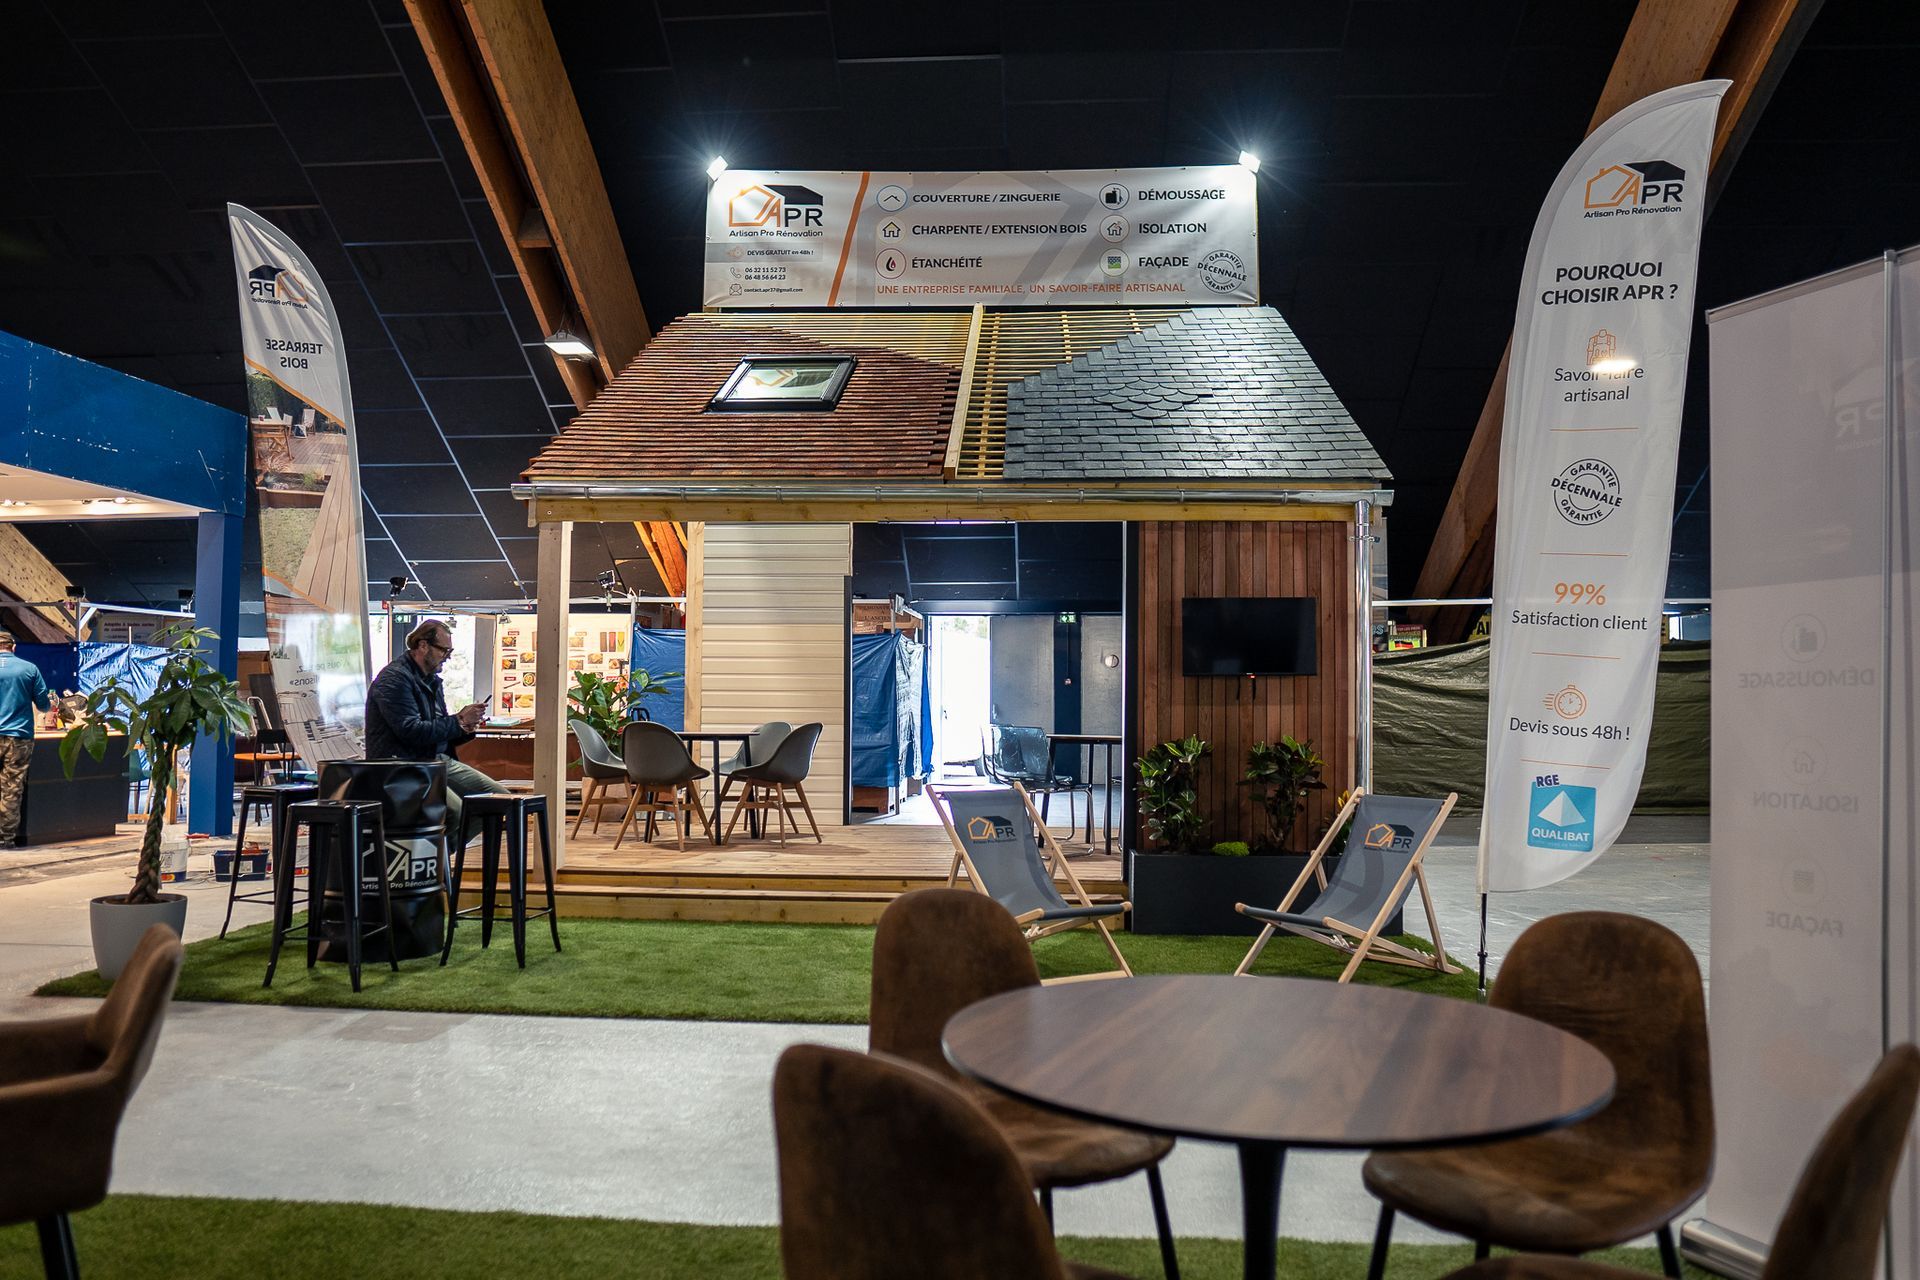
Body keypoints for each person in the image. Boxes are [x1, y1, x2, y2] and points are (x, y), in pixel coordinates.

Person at [364, 618, 504, 836]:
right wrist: (458, 721)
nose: (447, 657)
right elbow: (411, 731)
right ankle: (433, 864)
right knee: (455, 812)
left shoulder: (431, 680)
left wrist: (464, 726)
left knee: (498, 801)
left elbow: (435, 728)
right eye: (444, 651)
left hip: (433, 760)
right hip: (403, 766)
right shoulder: (394, 679)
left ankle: (441, 863)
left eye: (450, 651)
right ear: (422, 645)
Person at [0, 630, 51, 847]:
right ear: (13, 647)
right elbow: (43, 705)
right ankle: (4, 840)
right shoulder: (29, 669)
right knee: (11, 788)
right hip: (18, 738)